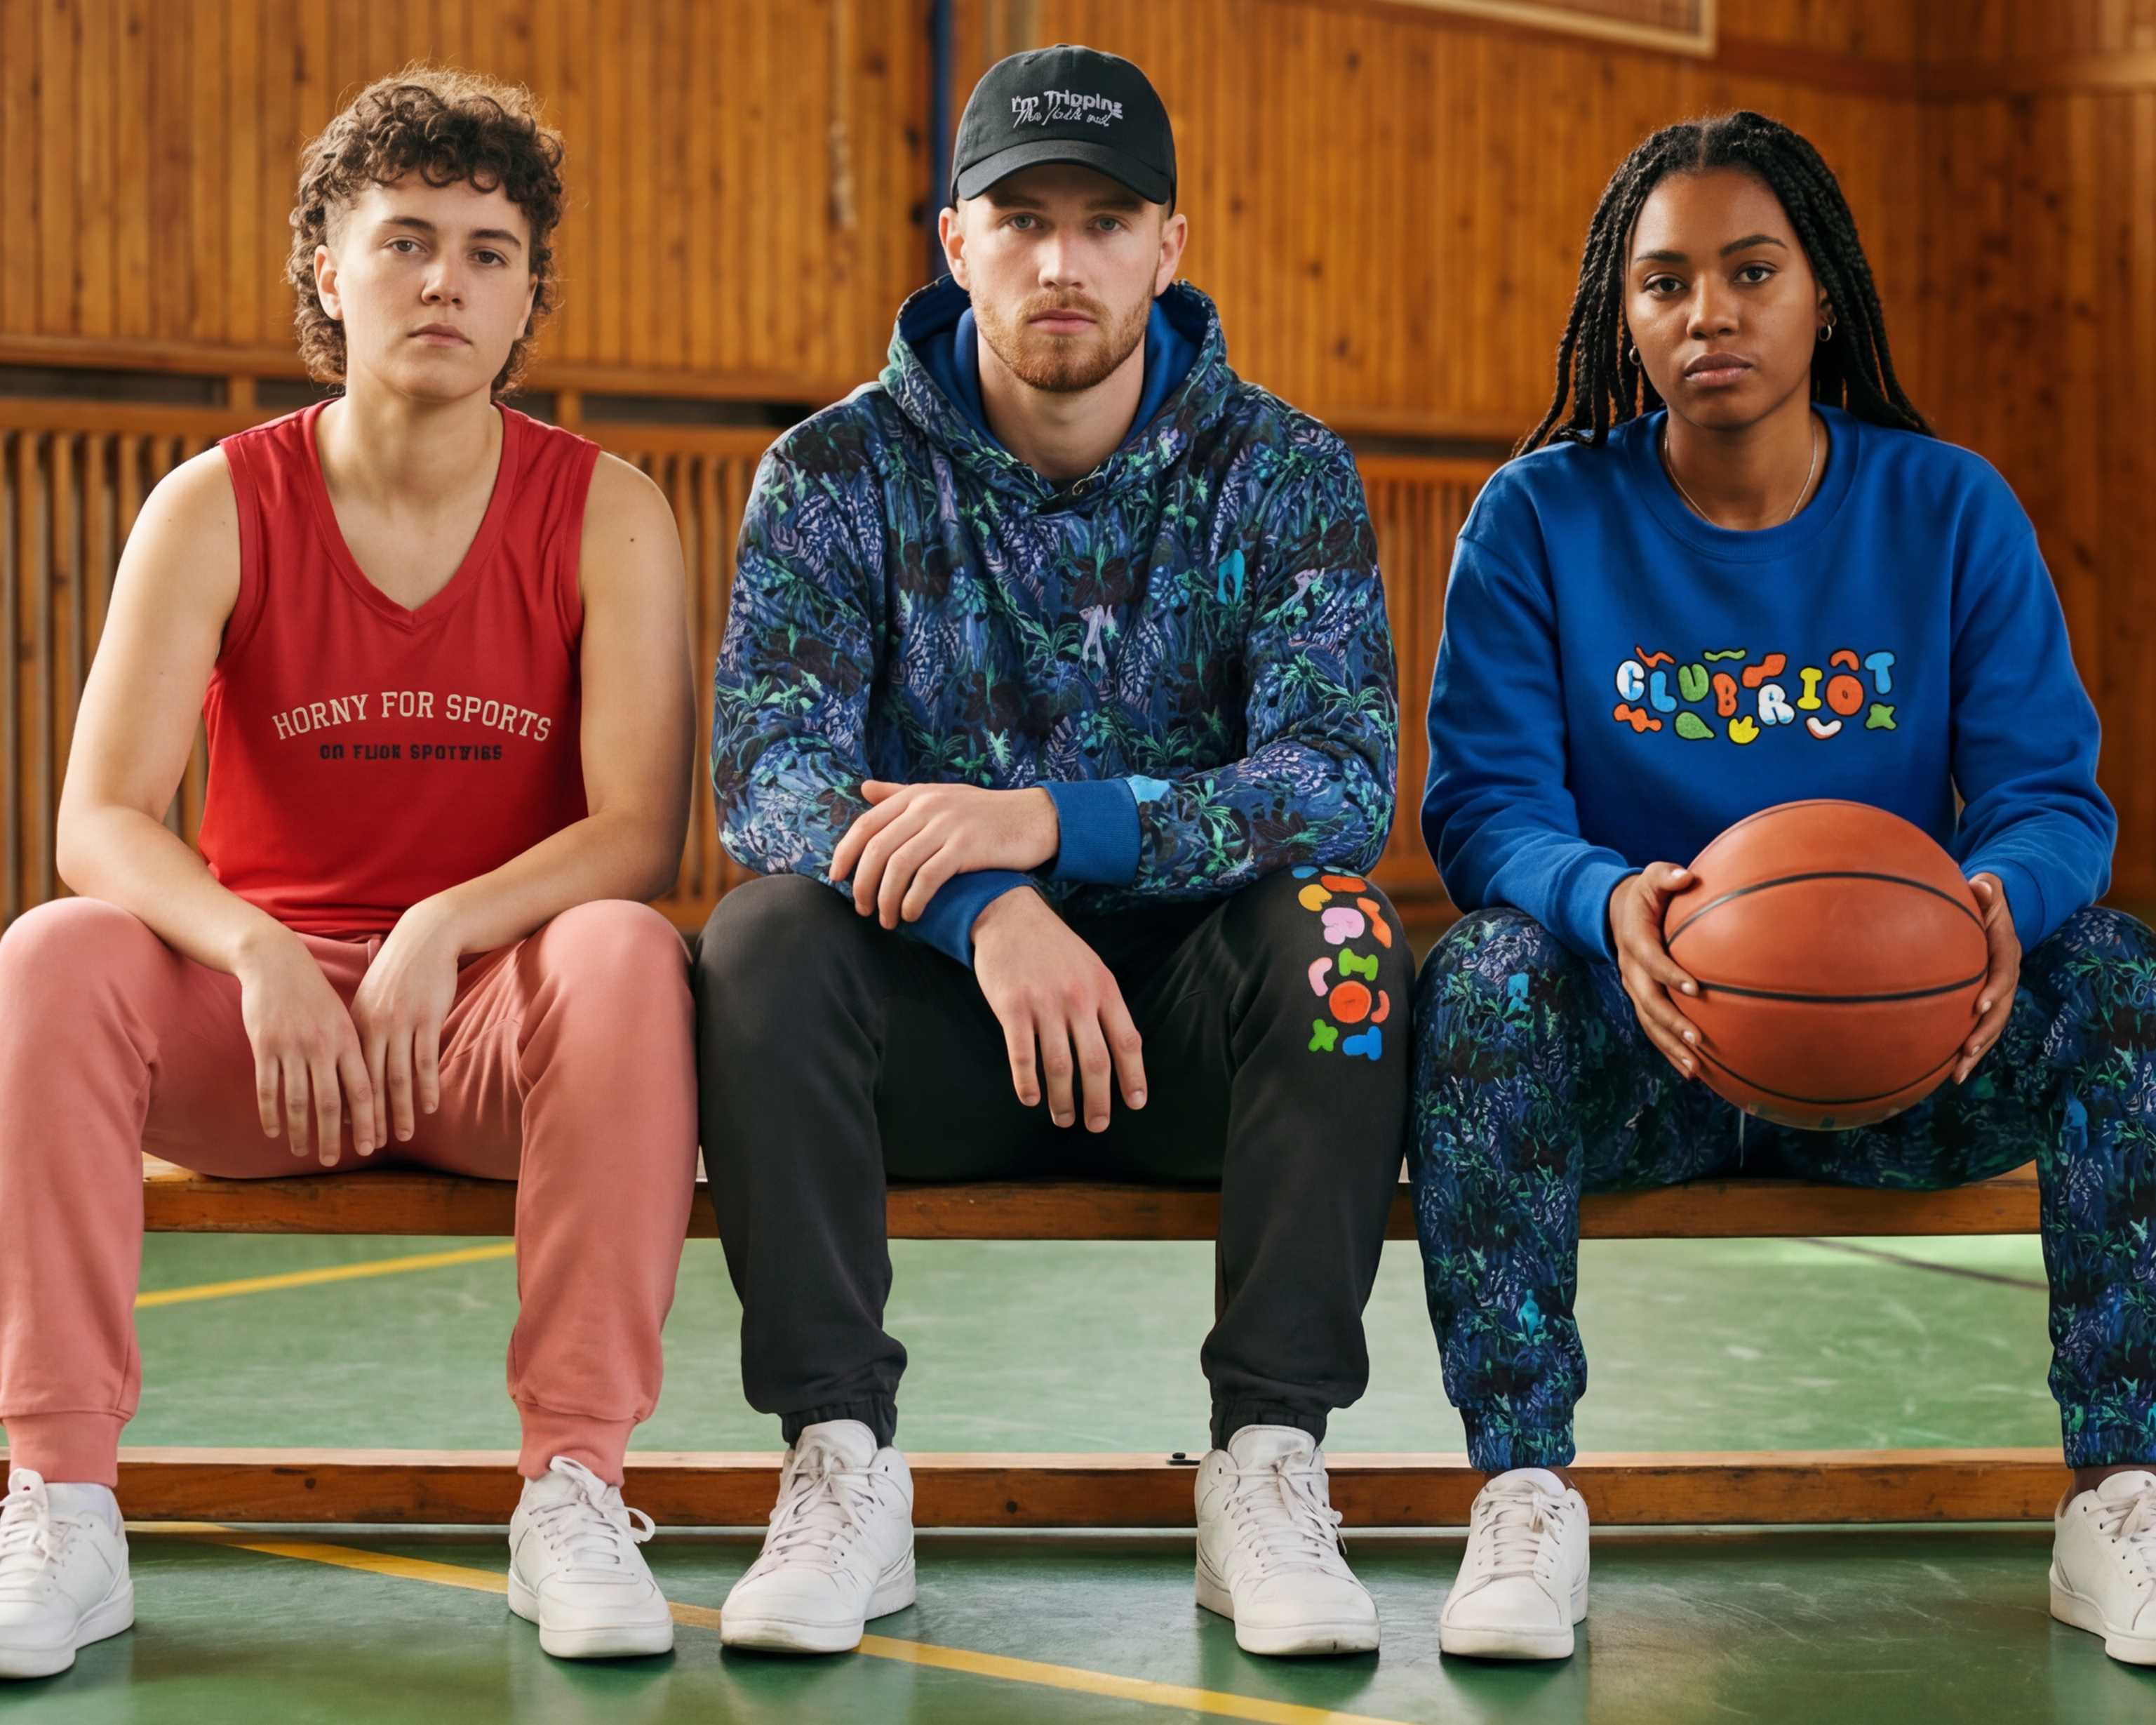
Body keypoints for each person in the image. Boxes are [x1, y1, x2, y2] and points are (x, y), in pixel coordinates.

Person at [1412, 109, 2155, 1667]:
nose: (1711, 314)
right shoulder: (1538, 518)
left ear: (1825, 295)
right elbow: (1483, 807)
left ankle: (2123, 1490)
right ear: (1623, 314)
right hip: (1647, 1055)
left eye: (1753, 271)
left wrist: (1998, 906)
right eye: (1666, 282)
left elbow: (2049, 796)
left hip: (1904, 1056)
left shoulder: (1948, 510)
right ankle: (1524, 1489)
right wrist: (1603, 900)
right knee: (1478, 980)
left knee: (2118, 970)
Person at [697, 45, 1407, 1658]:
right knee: (757, 940)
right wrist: (988, 907)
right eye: (1022, 220)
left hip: (1189, 1043)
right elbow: (770, 773)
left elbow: (1339, 780)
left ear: (1169, 245)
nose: (1062, 261)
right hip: (942, 1033)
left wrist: (1056, 823)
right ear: (956, 242)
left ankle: (1268, 1457)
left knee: (1350, 937)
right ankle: (839, 1457)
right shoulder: (834, 473)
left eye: (1105, 221)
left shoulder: (1281, 472)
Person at [0, 71, 699, 1677]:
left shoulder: (608, 513)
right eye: (406, 241)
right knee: (52, 952)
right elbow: (99, 817)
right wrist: (253, 947)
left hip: (477, 1026)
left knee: (626, 954)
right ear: (328, 265)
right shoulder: (215, 504)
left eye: (489, 252)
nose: (446, 280)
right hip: (269, 1041)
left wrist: (446, 924)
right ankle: (62, 1496)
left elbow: (635, 832)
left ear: (527, 297)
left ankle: (576, 1484)